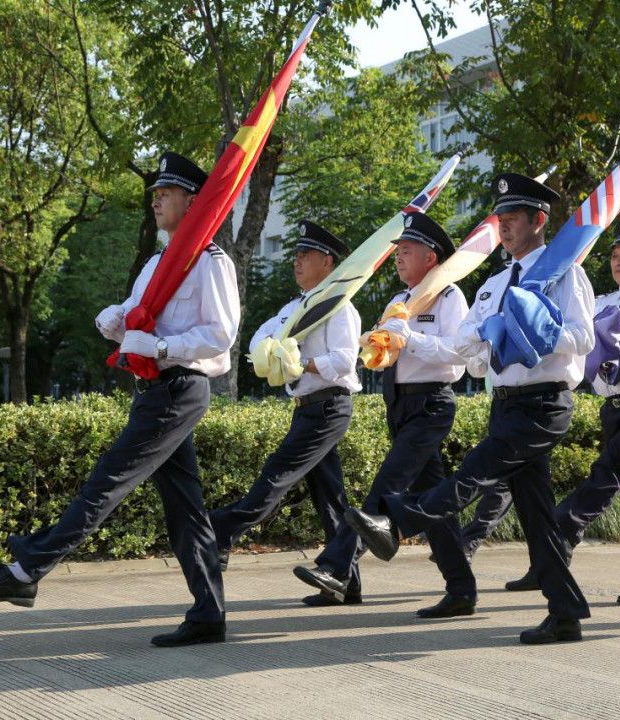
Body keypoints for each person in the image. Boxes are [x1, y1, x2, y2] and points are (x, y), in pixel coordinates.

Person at [0, 152, 241, 647]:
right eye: (155, 193)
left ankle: (26, 569)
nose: (155, 200)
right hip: (155, 389)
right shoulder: (157, 263)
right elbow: (136, 314)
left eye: (165, 194)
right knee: (186, 510)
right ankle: (209, 613)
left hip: (179, 389)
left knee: (105, 484)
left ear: (193, 202)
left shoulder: (211, 260)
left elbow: (222, 334)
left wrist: (162, 346)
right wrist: (117, 319)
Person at [346, 172, 597, 644]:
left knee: (474, 471)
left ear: (539, 221)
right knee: (538, 517)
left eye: (513, 218)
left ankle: (396, 521)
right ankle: (565, 612)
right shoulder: (497, 281)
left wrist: (535, 335)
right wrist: (491, 339)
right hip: (505, 402)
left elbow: (584, 337)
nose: (503, 226)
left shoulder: (567, 272)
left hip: (544, 400)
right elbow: (467, 343)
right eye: (500, 218)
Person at [501, 220, 620, 605]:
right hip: (616, 406)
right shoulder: (604, 303)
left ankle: (565, 529)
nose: (618, 263)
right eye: (615, 256)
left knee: (608, 471)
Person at [292, 212, 472, 612]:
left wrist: (412, 340)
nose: (398, 257)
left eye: (407, 250)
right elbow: (385, 352)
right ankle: (461, 590)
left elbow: (458, 358)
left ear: (431, 257)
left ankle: (336, 568)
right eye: (398, 251)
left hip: (431, 403)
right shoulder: (398, 301)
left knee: (385, 488)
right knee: (433, 504)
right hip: (399, 403)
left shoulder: (449, 296)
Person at [210, 221, 362, 604]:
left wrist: (300, 363)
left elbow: (345, 360)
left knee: (275, 475)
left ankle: (220, 531)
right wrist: (271, 354)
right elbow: (263, 337)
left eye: (304, 256)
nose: (296, 262)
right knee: (330, 499)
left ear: (326, 262)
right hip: (307, 408)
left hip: (329, 405)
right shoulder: (295, 307)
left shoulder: (339, 305)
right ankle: (345, 584)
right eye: (295, 255)